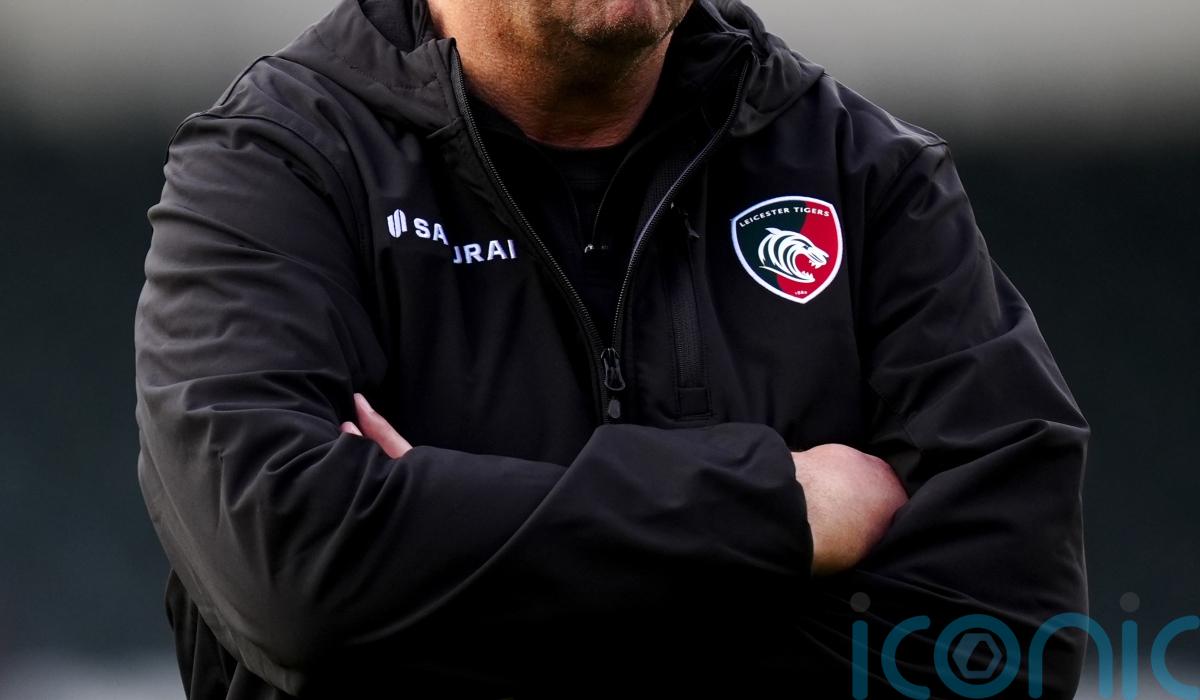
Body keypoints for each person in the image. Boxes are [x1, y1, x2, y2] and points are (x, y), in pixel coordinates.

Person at [133, 0, 1090, 697]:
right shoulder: (277, 170)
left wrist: (444, 583)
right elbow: (296, 581)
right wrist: (773, 511)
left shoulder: (870, 180)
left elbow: (1005, 642)